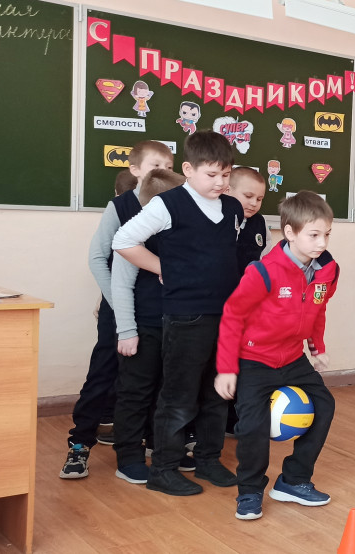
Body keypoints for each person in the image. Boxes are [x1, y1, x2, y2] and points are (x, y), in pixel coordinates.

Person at [113, 130, 243, 496]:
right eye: (211, 174)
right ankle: (164, 468)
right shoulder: (167, 204)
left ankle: (208, 459)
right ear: (188, 169)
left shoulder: (232, 207)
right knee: (179, 395)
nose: (220, 182)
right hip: (186, 316)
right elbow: (123, 241)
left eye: (225, 174)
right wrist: (164, 268)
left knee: (218, 393)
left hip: (226, 316)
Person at [215, 190, 338, 520]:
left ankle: (293, 480)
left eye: (327, 234)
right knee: (253, 426)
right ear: (290, 232)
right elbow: (232, 315)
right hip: (254, 359)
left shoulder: (327, 270)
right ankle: (250, 490)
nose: (322, 243)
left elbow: (317, 308)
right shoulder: (264, 271)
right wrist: (226, 368)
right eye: (314, 235)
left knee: (325, 405)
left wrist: (317, 347)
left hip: (293, 358)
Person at [61, 144, 171, 480]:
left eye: (169, 165)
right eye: (155, 164)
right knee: (104, 374)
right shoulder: (120, 206)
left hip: (156, 311)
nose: (163, 171)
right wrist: (117, 303)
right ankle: (80, 445)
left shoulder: (173, 206)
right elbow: (98, 258)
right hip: (119, 307)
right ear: (135, 170)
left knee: (151, 378)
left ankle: (150, 441)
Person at [110, 167, 196, 484]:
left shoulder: (183, 235)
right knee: (135, 393)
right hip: (143, 328)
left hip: (176, 327)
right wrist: (127, 332)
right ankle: (128, 457)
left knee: (166, 392)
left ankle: (162, 447)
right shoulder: (135, 236)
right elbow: (120, 287)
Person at [223, 166, 268, 435]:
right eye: (248, 196)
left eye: (259, 199)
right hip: (218, 304)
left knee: (241, 363)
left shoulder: (260, 224)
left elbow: (266, 262)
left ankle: (234, 420)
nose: (253, 203)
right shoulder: (217, 216)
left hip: (247, 308)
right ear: (228, 190)